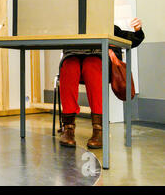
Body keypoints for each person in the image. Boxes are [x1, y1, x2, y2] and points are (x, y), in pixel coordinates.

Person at [58, 18, 144, 149]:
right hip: (73, 59)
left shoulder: (107, 26)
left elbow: (133, 40)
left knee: (92, 63)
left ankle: (99, 129)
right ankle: (68, 128)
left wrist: (138, 30)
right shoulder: (71, 26)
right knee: (70, 65)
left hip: (97, 63)